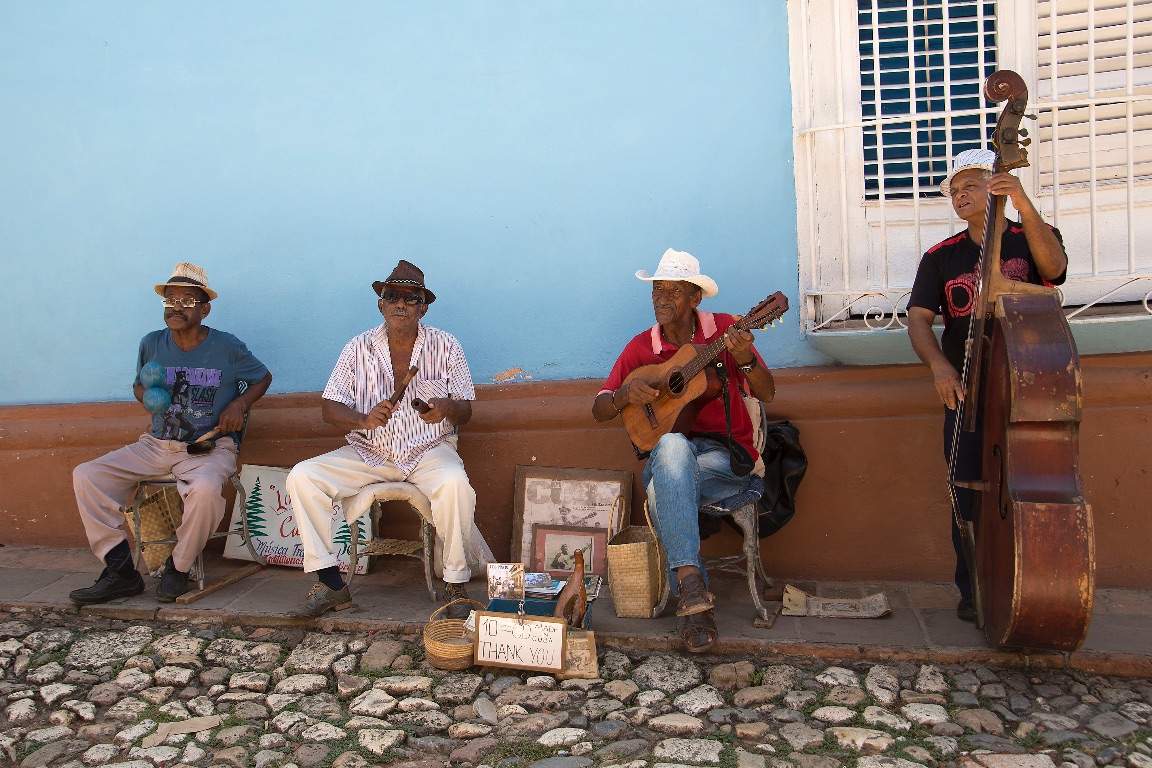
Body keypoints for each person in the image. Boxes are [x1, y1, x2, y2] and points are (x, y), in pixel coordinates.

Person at [907, 149, 1068, 622]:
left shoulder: (1029, 237)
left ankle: (1035, 581)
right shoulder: (940, 257)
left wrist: (1022, 202)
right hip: (966, 391)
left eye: (970, 186)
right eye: (954, 191)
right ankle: (974, 588)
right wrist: (939, 367)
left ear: (994, 184)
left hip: (1027, 384)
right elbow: (919, 322)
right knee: (968, 488)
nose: (960, 196)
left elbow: (1054, 269)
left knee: (1032, 489)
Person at [592, 248, 776, 653]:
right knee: (673, 446)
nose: (661, 299)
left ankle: (691, 591)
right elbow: (599, 408)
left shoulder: (727, 329)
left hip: (727, 458)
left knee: (663, 488)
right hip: (669, 455)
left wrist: (743, 358)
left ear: (696, 298)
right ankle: (695, 598)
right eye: (657, 290)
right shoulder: (642, 347)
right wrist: (624, 394)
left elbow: (768, 392)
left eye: (674, 291)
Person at [286, 260, 490, 618]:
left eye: (410, 298)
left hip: (428, 451)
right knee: (303, 476)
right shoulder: (357, 348)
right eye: (391, 296)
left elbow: (467, 410)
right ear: (380, 303)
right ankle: (332, 584)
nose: (400, 304)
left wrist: (447, 407)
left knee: (455, 483)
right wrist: (363, 419)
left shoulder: (446, 345)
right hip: (370, 453)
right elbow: (330, 407)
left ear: (423, 307)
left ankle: (455, 585)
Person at [71, 263, 273, 604]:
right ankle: (121, 571)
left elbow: (263, 378)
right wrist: (146, 397)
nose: (176, 306)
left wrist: (239, 404)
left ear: (205, 309)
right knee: (87, 475)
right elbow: (140, 386)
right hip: (156, 445)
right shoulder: (152, 344)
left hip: (207, 446)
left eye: (188, 300)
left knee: (207, 490)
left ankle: (178, 569)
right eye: (171, 300)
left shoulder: (227, 347)